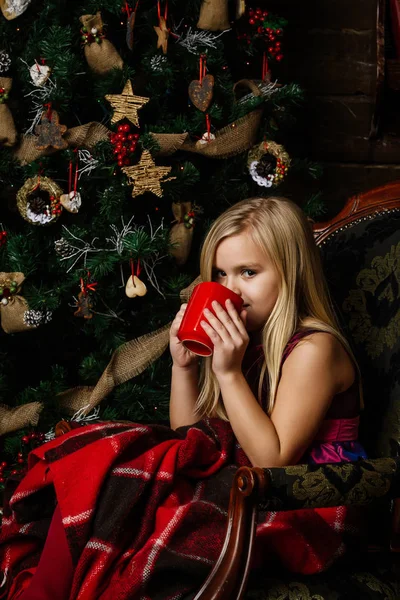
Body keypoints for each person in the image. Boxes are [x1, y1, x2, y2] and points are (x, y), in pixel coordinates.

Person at [0, 197, 366, 600]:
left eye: (249, 272)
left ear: (292, 274)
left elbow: (273, 462)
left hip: (312, 503)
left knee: (142, 487)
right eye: (220, 274)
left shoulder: (314, 350)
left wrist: (227, 372)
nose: (231, 290)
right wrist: (184, 367)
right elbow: (188, 436)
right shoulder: (251, 342)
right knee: (113, 469)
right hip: (245, 483)